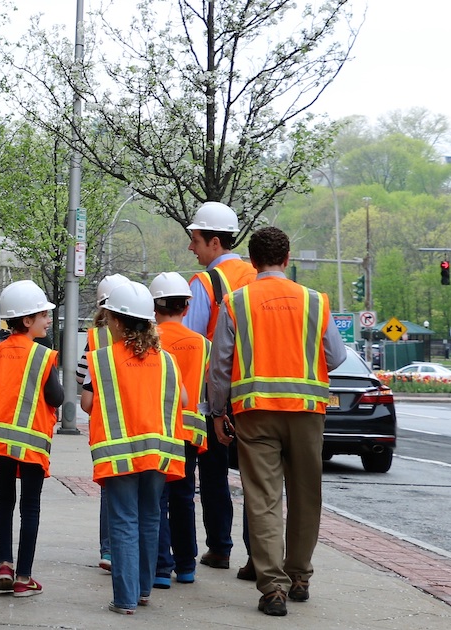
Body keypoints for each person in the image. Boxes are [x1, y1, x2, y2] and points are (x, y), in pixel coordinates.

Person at [208, 226, 346, 617]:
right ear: (287, 259)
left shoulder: (237, 301)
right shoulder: (315, 302)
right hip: (306, 412)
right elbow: (335, 357)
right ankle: (299, 576)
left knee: (263, 498)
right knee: (306, 495)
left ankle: (272, 589)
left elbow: (219, 367)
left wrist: (218, 412)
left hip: (255, 413)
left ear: (252, 262)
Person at [80, 281, 185, 615]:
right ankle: (142, 590)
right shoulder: (166, 360)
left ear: (118, 321)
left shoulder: (102, 360)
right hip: (158, 450)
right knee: (150, 515)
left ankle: (124, 600)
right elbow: (182, 400)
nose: (108, 324)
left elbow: (87, 403)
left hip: (118, 452)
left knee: (123, 520)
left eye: (109, 319)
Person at [0, 279, 63, 598]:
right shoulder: (42, 355)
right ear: (27, 320)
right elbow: (57, 396)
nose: (47, 320)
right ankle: (24, 577)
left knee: (4, 502)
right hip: (32, 442)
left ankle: (4, 566)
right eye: (43, 316)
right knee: (31, 507)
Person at [182, 201, 256, 575]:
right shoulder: (257, 275)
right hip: (258, 395)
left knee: (213, 475)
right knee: (259, 481)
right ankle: (258, 555)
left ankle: (220, 548)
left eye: (195, 240)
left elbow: (191, 345)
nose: (192, 248)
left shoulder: (206, 284)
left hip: (218, 397)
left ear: (213, 241)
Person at [150, 272, 211, 590]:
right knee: (185, 497)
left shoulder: (148, 340)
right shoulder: (202, 344)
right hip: (189, 432)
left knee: (158, 498)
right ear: (187, 307)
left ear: (153, 306)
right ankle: (186, 565)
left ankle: (161, 568)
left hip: (158, 429)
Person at [75, 272, 131, 573]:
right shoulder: (147, 331)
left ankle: (109, 549)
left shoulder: (95, 337)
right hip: (139, 417)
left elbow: (83, 382)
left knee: (111, 485)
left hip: (106, 420)